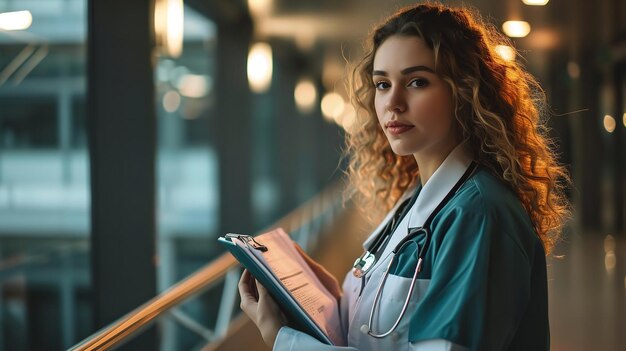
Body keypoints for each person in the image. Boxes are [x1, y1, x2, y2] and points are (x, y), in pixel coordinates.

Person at [238, 2, 571, 350]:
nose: (393, 102)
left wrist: (284, 340)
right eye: (382, 84)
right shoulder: (417, 200)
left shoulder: (478, 213)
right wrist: (334, 300)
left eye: (416, 81)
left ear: (465, 91)